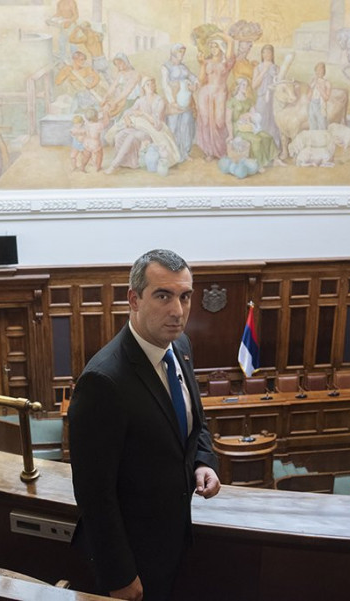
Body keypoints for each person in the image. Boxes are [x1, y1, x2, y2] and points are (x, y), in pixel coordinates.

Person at [69, 249, 221, 601]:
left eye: (185, 296)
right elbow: (94, 494)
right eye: (163, 296)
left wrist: (203, 460)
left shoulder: (180, 346)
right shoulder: (103, 381)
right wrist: (119, 574)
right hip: (132, 558)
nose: (178, 311)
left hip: (175, 540)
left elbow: (194, 422)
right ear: (134, 299)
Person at [104, 77, 181, 174]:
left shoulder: (159, 101)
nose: (150, 86)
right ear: (143, 87)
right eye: (147, 84)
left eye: (152, 84)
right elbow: (128, 111)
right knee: (119, 135)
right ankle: (127, 162)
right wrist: (127, 118)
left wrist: (143, 114)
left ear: (155, 86)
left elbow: (156, 122)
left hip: (153, 130)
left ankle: (114, 165)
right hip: (140, 126)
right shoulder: (140, 100)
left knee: (132, 136)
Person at [195, 34, 235, 161]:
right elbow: (201, 80)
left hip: (220, 93)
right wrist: (202, 65)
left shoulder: (227, 62)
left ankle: (221, 150)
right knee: (206, 122)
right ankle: (209, 152)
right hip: (206, 93)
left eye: (215, 46)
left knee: (219, 121)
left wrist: (218, 34)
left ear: (221, 47)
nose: (213, 49)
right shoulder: (206, 62)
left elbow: (231, 41)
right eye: (211, 46)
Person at [160, 43, 199, 161]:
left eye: (183, 52)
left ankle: (185, 152)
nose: (182, 55)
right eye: (180, 52)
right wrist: (172, 101)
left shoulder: (183, 67)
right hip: (174, 101)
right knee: (173, 126)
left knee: (186, 125)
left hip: (186, 101)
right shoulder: (166, 67)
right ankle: (174, 153)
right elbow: (165, 85)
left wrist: (195, 85)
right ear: (174, 53)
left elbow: (193, 77)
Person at [308, 62, 331, 131]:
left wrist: (320, 88)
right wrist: (312, 88)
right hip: (312, 105)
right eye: (317, 70)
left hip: (321, 105)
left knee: (322, 125)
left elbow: (326, 98)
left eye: (321, 70)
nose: (319, 72)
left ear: (324, 72)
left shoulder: (327, 83)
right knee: (312, 125)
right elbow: (308, 97)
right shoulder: (313, 81)